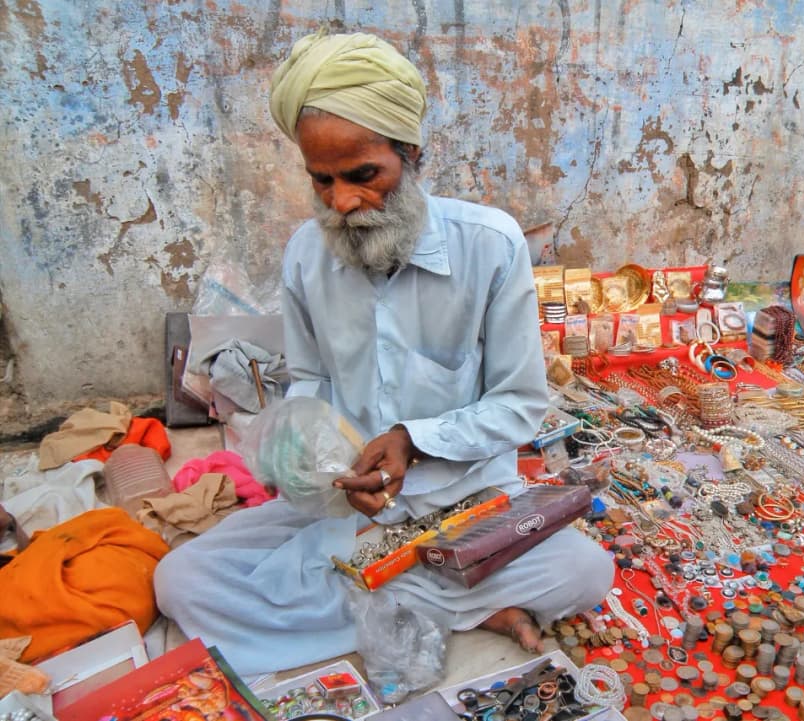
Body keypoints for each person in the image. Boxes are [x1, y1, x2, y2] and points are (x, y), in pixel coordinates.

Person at [154, 31, 613, 677]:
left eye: (364, 175)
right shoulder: (306, 255)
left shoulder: (490, 244)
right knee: (181, 580)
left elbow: (519, 404)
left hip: (469, 500)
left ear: (412, 153)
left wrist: (412, 439)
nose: (342, 202)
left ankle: (401, 599)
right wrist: (319, 468)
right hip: (354, 507)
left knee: (585, 569)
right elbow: (310, 381)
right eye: (323, 181)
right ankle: (458, 604)